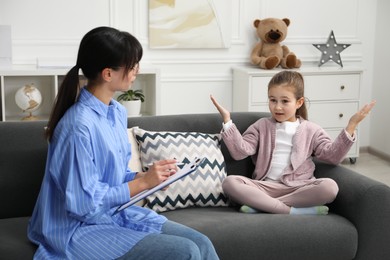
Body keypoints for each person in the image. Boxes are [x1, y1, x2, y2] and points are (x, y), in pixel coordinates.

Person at [28, 26, 219, 260]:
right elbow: (83, 204)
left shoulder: (117, 112)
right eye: (132, 65)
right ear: (108, 74)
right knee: (186, 251)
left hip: (115, 213)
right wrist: (143, 183)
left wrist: (147, 179)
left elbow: (112, 177)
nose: (136, 70)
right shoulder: (78, 127)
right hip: (77, 228)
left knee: (201, 242)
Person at [210, 70, 376, 215]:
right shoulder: (262, 126)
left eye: (284, 101)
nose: (278, 107)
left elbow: (332, 157)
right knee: (230, 182)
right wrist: (227, 121)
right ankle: (290, 211)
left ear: (299, 102)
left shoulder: (312, 130)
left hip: (298, 188)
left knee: (330, 187)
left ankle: (263, 206)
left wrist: (351, 126)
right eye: (272, 100)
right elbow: (240, 152)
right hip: (264, 187)